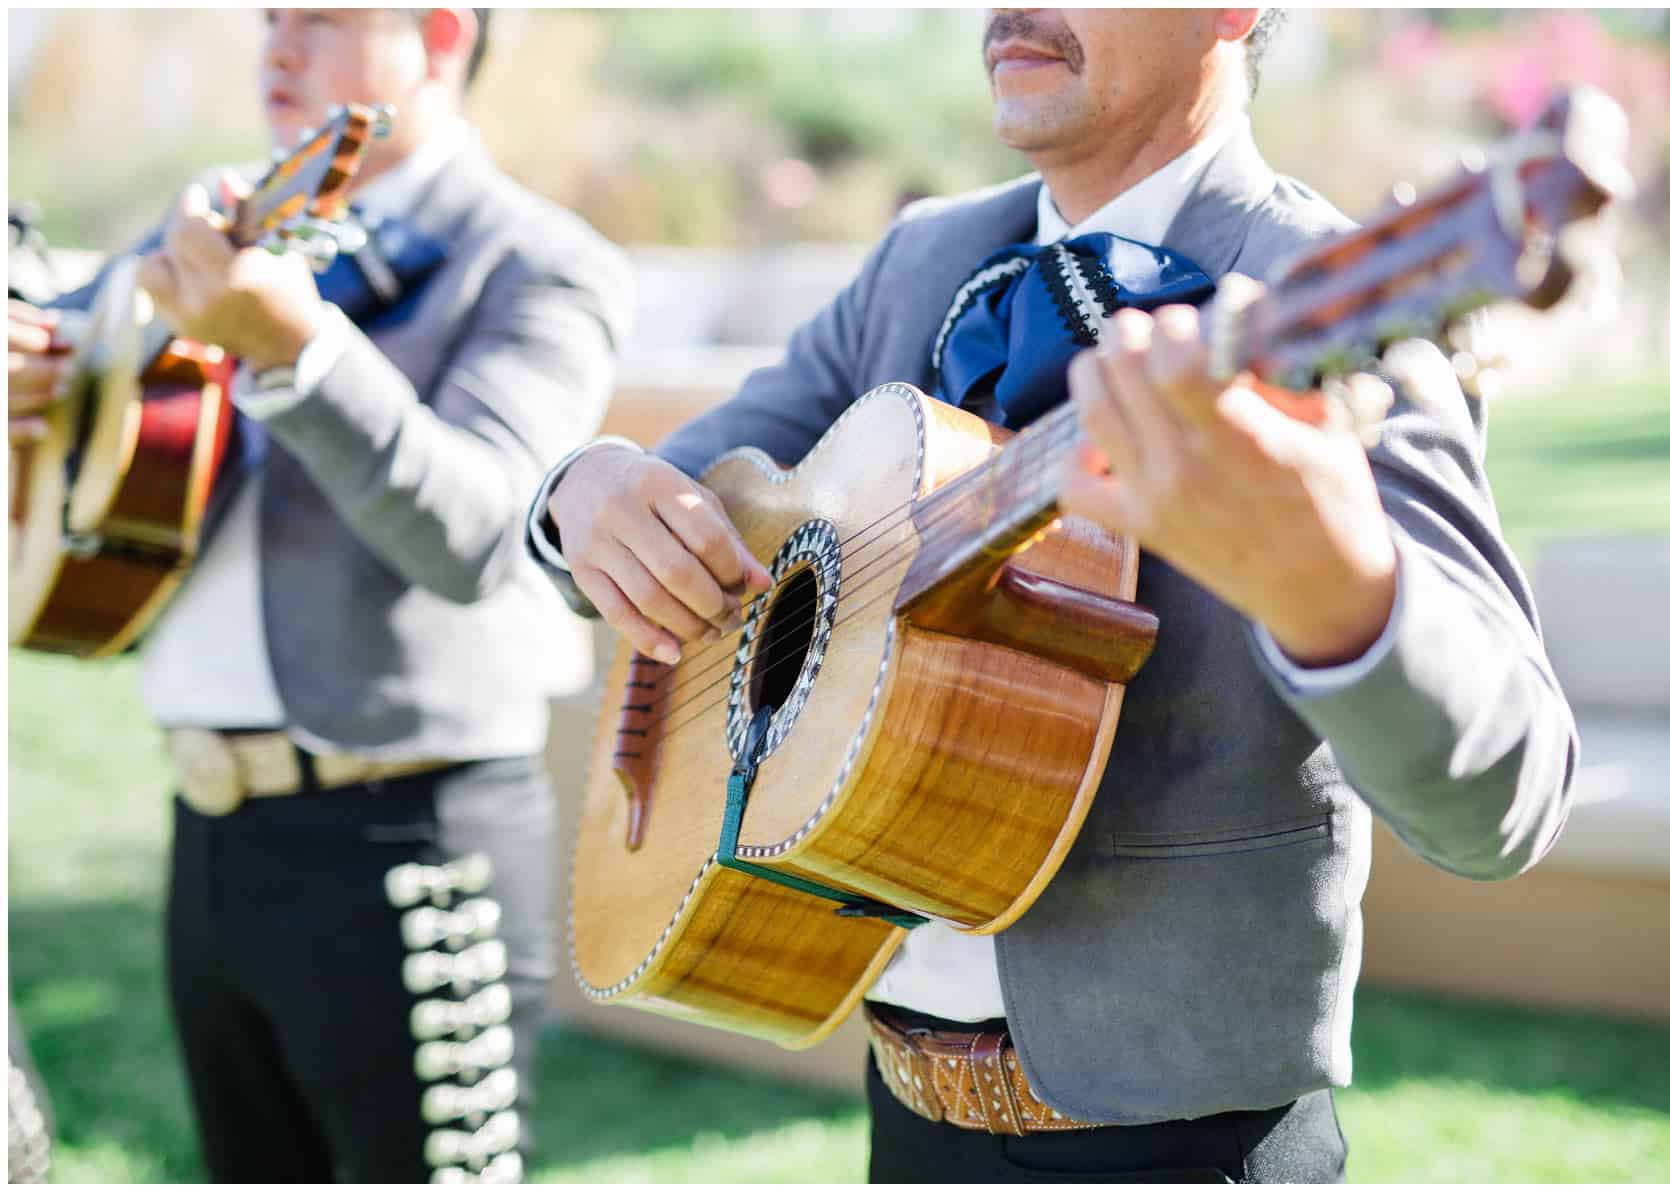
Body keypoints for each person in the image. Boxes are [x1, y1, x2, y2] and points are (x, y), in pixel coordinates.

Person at [527, 8, 1576, 1183]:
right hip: (901, 1117)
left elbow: (1508, 798)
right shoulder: (919, 258)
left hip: (1180, 1148)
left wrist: (1337, 589)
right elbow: (683, 504)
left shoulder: (1312, 297)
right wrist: (584, 488)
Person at [8, 8, 632, 1182]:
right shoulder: (210, 222)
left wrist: (297, 347)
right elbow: (99, 419)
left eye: (324, 15)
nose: (278, 47)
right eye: (271, 18)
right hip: (209, 832)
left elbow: (482, 531)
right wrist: (37, 377)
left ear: (440, 32)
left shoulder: (540, 258)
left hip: (409, 837)